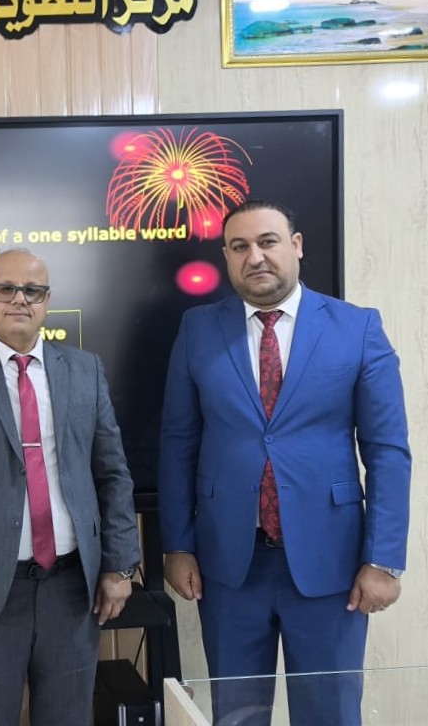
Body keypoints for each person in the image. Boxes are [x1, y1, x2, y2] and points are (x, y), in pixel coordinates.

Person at [158, 200, 411, 726]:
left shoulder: (357, 328)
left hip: (331, 565)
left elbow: (387, 450)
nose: (255, 256)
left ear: (296, 246)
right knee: (237, 717)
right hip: (230, 566)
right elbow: (178, 443)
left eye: (268, 241)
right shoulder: (198, 330)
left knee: (329, 716)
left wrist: (384, 559)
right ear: (227, 258)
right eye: (239, 246)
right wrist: (177, 544)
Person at [0, 248, 141, 726]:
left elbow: (113, 474)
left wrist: (120, 565)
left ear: (47, 301)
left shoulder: (85, 370)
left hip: (72, 590)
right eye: (6, 289)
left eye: (32, 290)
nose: (19, 299)